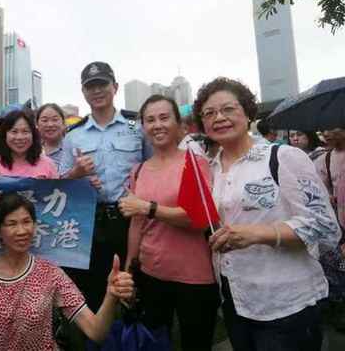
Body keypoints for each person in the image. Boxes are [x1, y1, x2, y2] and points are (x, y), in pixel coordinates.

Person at [193, 77, 341, 351]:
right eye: (209, 113)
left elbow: (324, 227)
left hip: (285, 304)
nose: (219, 118)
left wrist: (256, 234)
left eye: (228, 109)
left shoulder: (284, 157)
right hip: (235, 300)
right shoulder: (209, 171)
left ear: (248, 112)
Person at [0, 193, 134, 351]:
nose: (22, 230)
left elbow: (95, 332)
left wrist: (110, 296)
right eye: (11, 224)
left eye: (27, 221)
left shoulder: (50, 272)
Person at [118, 95, 219, 351]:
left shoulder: (195, 164)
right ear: (142, 127)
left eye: (164, 118)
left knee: (196, 343)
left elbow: (198, 218)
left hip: (195, 277)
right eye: (150, 120)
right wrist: (129, 270)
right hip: (151, 274)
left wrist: (148, 207)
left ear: (179, 124)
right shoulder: (138, 170)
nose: (157, 125)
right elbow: (136, 225)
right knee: (153, 343)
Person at [59, 61, 151, 312]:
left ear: (115, 87)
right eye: (90, 87)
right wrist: (77, 174)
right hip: (91, 222)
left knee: (136, 286)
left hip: (131, 219)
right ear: (83, 92)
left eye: (102, 84)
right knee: (95, 289)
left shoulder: (136, 126)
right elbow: (61, 184)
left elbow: (154, 166)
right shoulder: (73, 135)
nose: (97, 91)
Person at [313, 127, 345, 332]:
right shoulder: (323, 160)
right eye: (323, 129)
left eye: (333, 128)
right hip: (339, 229)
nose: (326, 133)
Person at [0, 109, 58, 179]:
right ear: (5, 135)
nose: (19, 137)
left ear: (33, 135)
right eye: (14, 131)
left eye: (25, 131)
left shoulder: (48, 164)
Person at [36, 103, 66, 169]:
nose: (50, 125)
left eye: (55, 120)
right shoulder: (31, 150)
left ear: (63, 123)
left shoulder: (73, 149)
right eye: (44, 120)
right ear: (37, 125)